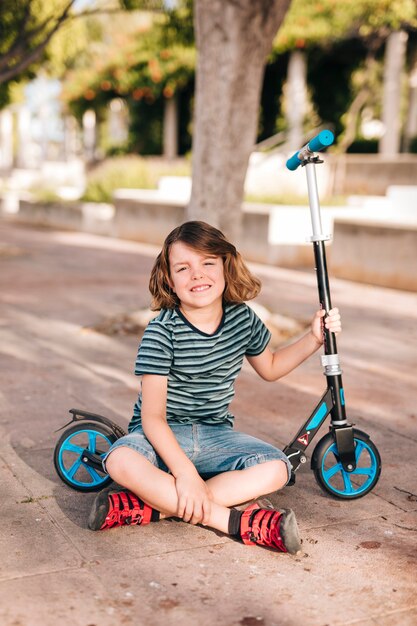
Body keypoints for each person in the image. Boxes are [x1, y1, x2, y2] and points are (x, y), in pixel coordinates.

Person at [88, 221, 341, 554]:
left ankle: (156, 507)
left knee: (279, 468)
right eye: (183, 268)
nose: (197, 275)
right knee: (120, 461)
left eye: (207, 263)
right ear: (169, 279)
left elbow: (271, 367)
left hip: (215, 435)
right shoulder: (161, 333)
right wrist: (186, 473)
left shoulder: (243, 319)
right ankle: (235, 522)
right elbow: (152, 419)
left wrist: (313, 338)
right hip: (162, 435)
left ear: (225, 265)